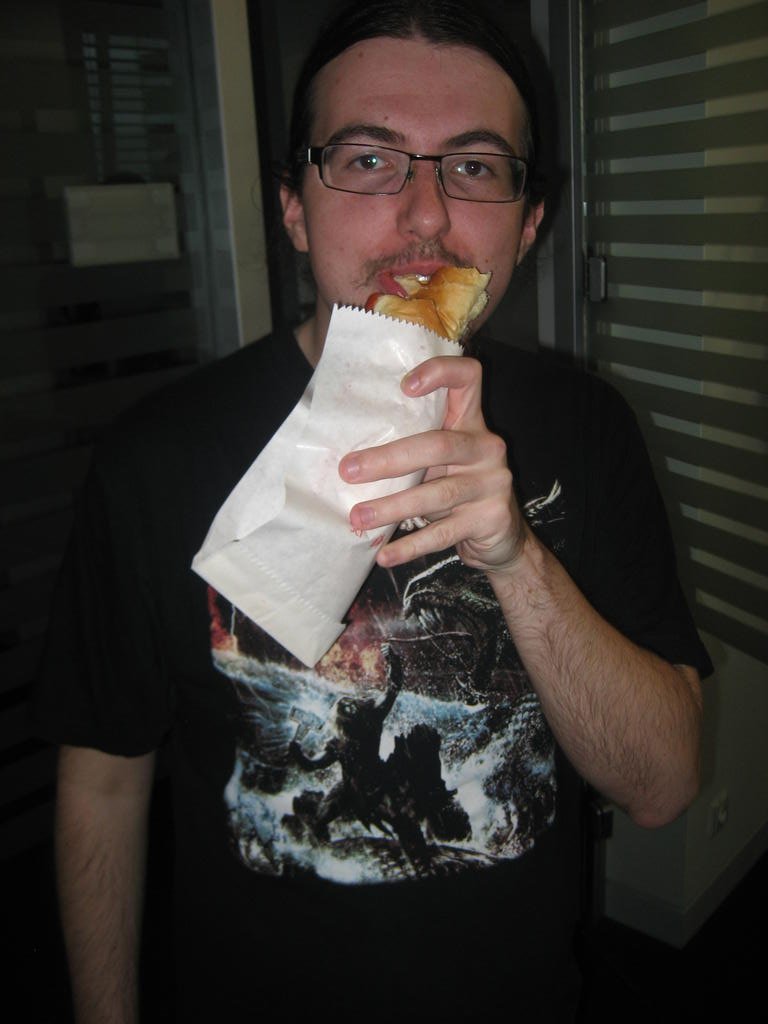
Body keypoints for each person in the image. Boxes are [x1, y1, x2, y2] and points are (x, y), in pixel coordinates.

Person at [35, 1, 711, 1020]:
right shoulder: (155, 457)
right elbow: (103, 777)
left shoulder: (589, 428)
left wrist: (516, 557)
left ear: (528, 224)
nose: (426, 215)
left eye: (473, 166)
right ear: (293, 208)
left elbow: (661, 787)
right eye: (368, 160)